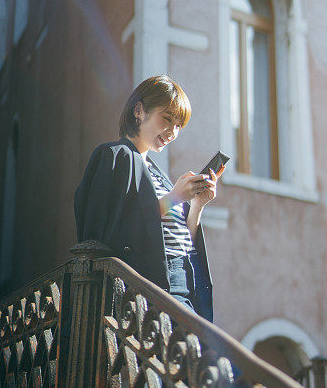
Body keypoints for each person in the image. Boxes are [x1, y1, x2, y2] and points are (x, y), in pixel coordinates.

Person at [74, 74, 223, 321]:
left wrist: (197, 205)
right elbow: (104, 236)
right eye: (167, 119)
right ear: (139, 110)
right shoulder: (113, 156)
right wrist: (174, 198)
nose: (173, 132)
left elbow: (182, 241)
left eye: (179, 125)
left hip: (185, 287)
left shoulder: (158, 173)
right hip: (151, 292)